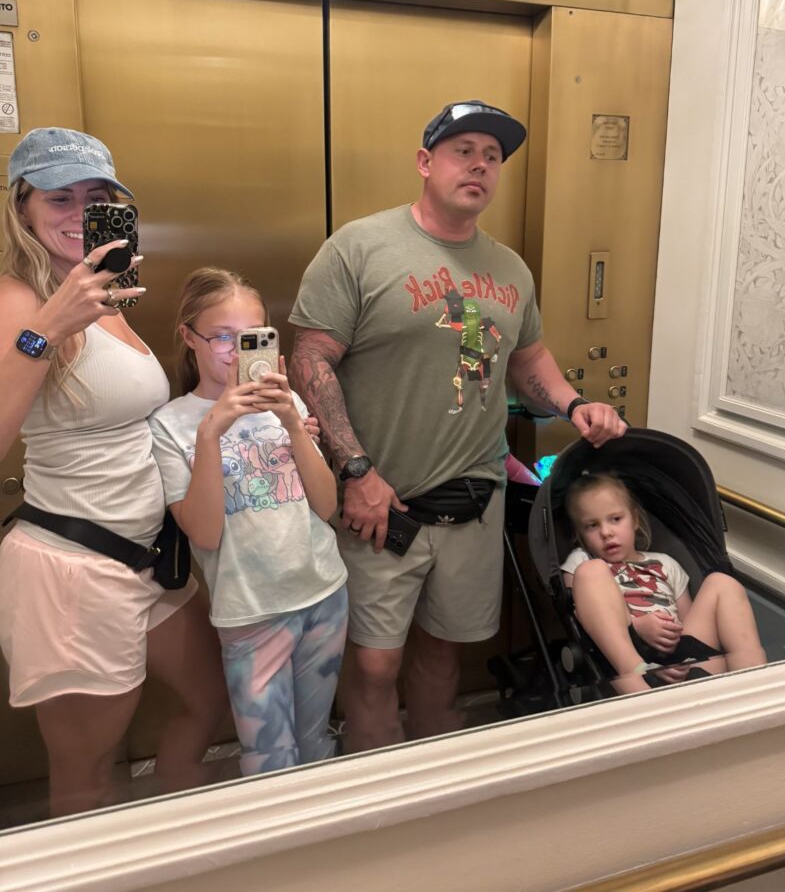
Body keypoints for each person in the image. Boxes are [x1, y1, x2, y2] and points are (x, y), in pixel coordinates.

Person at [288, 99, 626, 751]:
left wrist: (569, 403)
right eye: (462, 150)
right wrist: (355, 470)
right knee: (375, 663)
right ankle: (376, 796)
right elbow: (309, 358)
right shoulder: (360, 247)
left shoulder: (509, 268)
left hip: (475, 504)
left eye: (492, 156)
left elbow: (527, 359)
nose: (478, 165)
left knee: (444, 657)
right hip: (381, 504)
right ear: (425, 162)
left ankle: (437, 799)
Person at [0, 128, 228, 816]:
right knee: (87, 773)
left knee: (208, 699)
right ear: (23, 208)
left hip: (149, 557)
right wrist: (47, 327)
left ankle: (171, 848)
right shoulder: (18, 301)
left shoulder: (108, 292)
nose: (79, 211)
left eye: (97, 197)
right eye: (60, 196)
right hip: (73, 570)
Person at [148, 267, 348, 775]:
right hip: (250, 614)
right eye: (222, 338)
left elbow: (327, 507)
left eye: (254, 337)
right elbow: (205, 533)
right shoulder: (171, 425)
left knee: (316, 739)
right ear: (188, 337)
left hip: (323, 594)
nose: (239, 353)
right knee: (268, 758)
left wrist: (292, 427)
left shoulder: (289, 404)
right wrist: (211, 432)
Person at [562, 471, 767, 694]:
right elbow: (584, 616)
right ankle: (639, 678)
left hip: (678, 653)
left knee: (721, 582)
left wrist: (678, 650)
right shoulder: (582, 561)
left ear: (635, 520)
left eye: (616, 519)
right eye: (592, 525)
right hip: (629, 654)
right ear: (580, 535)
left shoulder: (666, 563)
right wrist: (637, 627)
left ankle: (751, 679)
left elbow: (686, 622)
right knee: (592, 572)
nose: (606, 532)